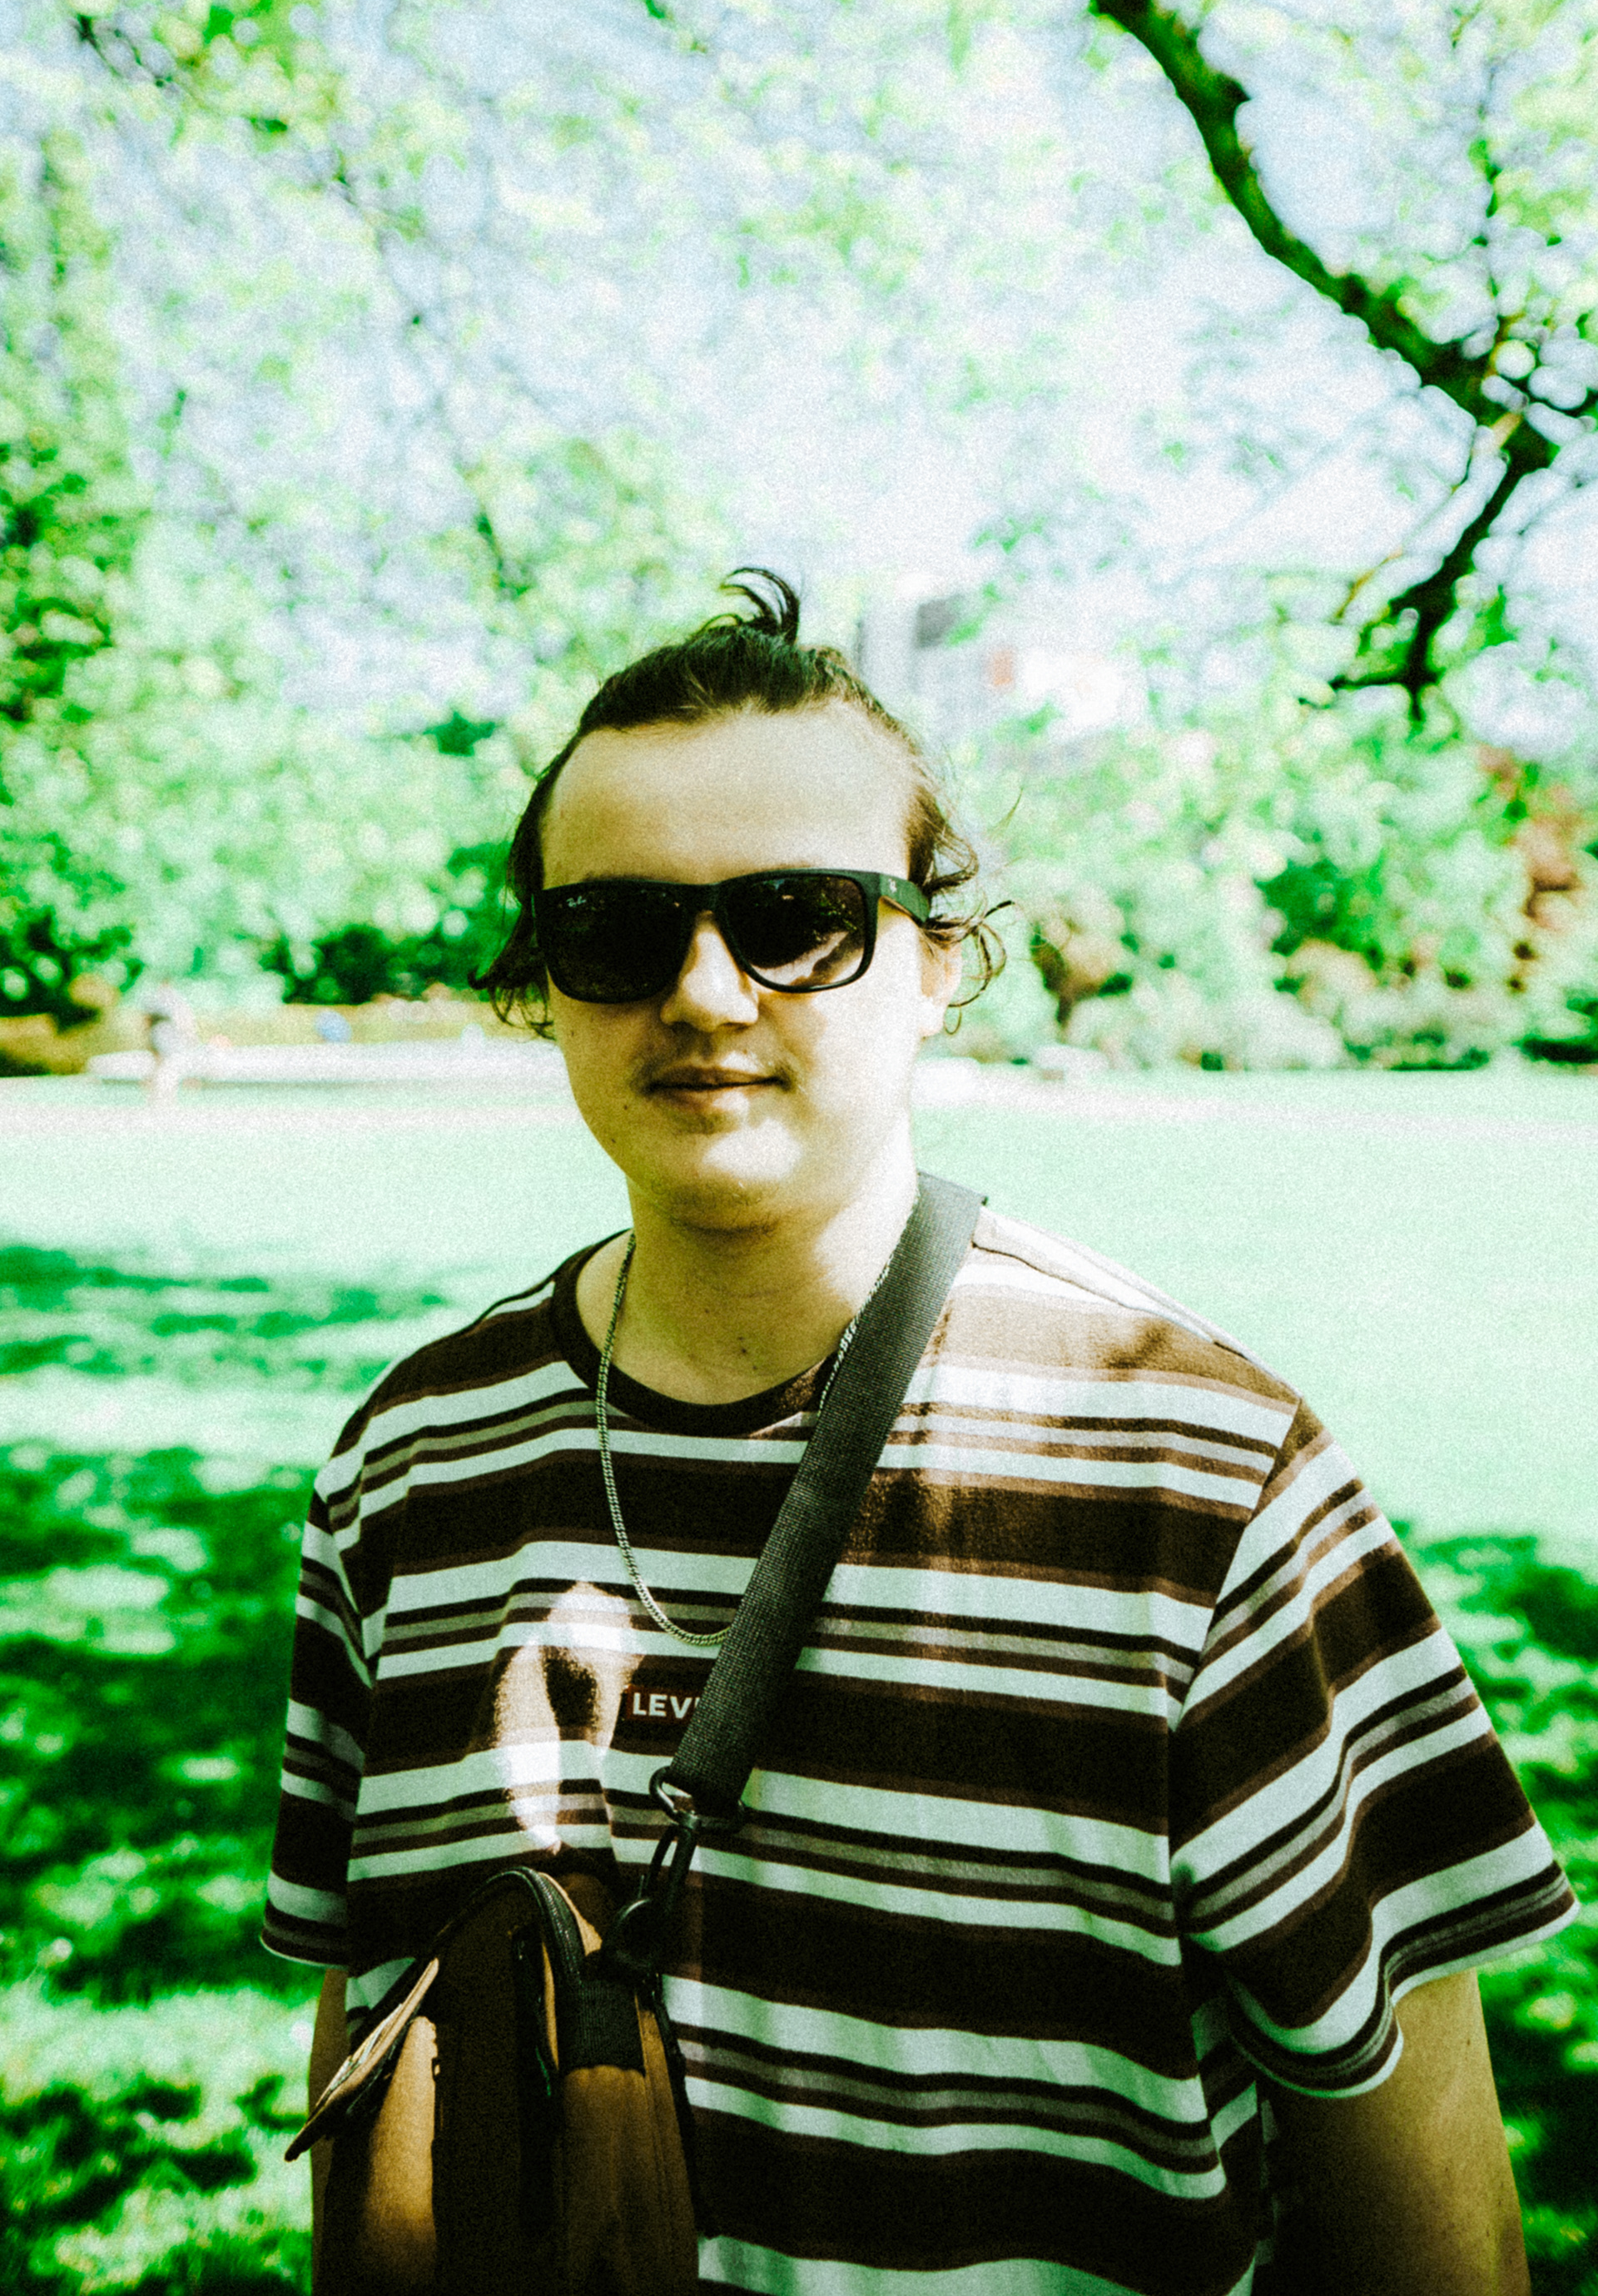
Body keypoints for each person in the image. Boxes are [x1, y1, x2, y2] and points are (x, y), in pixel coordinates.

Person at [266, 569, 1575, 2296]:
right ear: (543, 981)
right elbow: (374, 2049)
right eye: (617, 929)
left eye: (798, 919)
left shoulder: (1204, 1487)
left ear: (942, 957)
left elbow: (1432, 2222)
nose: (706, 992)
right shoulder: (408, 1470)